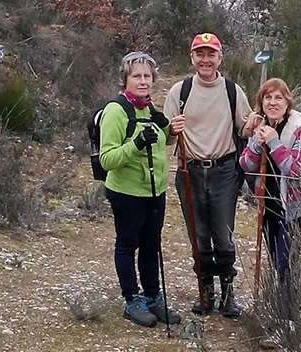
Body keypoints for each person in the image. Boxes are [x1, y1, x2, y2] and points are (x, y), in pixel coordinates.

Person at [163, 33, 256, 319]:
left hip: (224, 171)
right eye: (199, 54)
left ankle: (228, 295)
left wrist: (258, 121)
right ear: (192, 58)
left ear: (219, 58)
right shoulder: (180, 91)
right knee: (199, 235)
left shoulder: (232, 90)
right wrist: (171, 130)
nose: (205, 60)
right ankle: (205, 294)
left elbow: (244, 128)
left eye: (211, 54)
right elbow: (165, 137)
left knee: (224, 235)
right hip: (189, 170)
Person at [99, 52, 182, 328]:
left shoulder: (148, 108)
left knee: (151, 245)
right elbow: (107, 159)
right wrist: (136, 144)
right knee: (127, 244)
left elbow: (161, 144)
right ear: (126, 78)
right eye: (137, 76)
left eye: (147, 76)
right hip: (126, 193)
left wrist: (171, 131)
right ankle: (132, 300)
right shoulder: (116, 110)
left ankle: (152, 297)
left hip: (155, 191)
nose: (143, 81)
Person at [239, 78, 301, 322]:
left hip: (292, 209)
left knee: (287, 264)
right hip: (267, 206)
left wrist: (273, 141)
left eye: (278, 97)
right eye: (267, 98)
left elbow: (295, 169)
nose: (272, 102)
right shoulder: (259, 128)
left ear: (287, 102)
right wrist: (257, 146)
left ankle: (289, 317)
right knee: (275, 261)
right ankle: (279, 311)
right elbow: (245, 165)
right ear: (261, 103)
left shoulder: (299, 128)